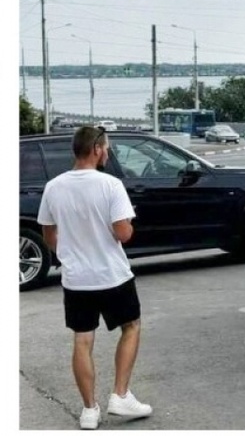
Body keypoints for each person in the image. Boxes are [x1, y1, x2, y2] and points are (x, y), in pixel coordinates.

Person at [37, 126, 153, 430]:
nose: (108, 152)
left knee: (82, 339)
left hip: (77, 279)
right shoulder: (111, 185)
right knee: (131, 326)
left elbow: (48, 234)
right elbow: (123, 234)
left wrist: (67, 254)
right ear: (97, 149)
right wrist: (128, 221)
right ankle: (120, 395)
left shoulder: (54, 186)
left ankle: (89, 410)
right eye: (107, 147)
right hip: (112, 275)